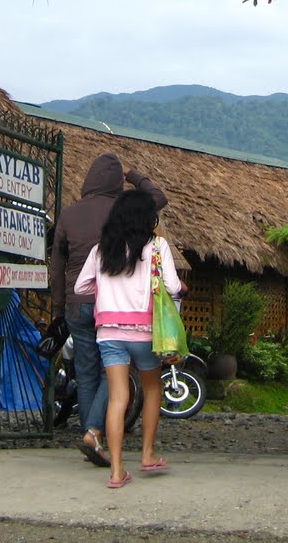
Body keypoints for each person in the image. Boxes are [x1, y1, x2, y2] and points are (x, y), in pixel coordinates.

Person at [47, 153, 167, 467]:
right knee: (112, 373)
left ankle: (93, 436)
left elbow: (56, 265)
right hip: (111, 306)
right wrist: (133, 174)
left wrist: (58, 309)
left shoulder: (69, 214)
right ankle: (93, 434)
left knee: (86, 373)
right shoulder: (123, 210)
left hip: (76, 303)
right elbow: (157, 198)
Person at [74, 188, 182, 489]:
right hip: (145, 332)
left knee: (118, 398)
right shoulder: (157, 246)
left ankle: (117, 471)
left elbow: (81, 287)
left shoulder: (101, 249)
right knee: (151, 388)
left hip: (108, 331)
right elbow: (172, 287)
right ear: (149, 217)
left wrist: (106, 291)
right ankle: (147, 455)